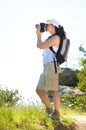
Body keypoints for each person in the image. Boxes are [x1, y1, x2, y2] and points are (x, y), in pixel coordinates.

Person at [36, 19, 66, 120]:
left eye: (47, 25)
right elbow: (38, 45)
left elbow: (41, 46)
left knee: (54, 90)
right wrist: (38, 34)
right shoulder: (50, 37)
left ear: (53, 26)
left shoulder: (56, 37)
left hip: (52, 65)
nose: (45, 26)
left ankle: (56, 113)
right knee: (39, 90)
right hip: (46, 66)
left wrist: (39, 35)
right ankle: (49, 110)